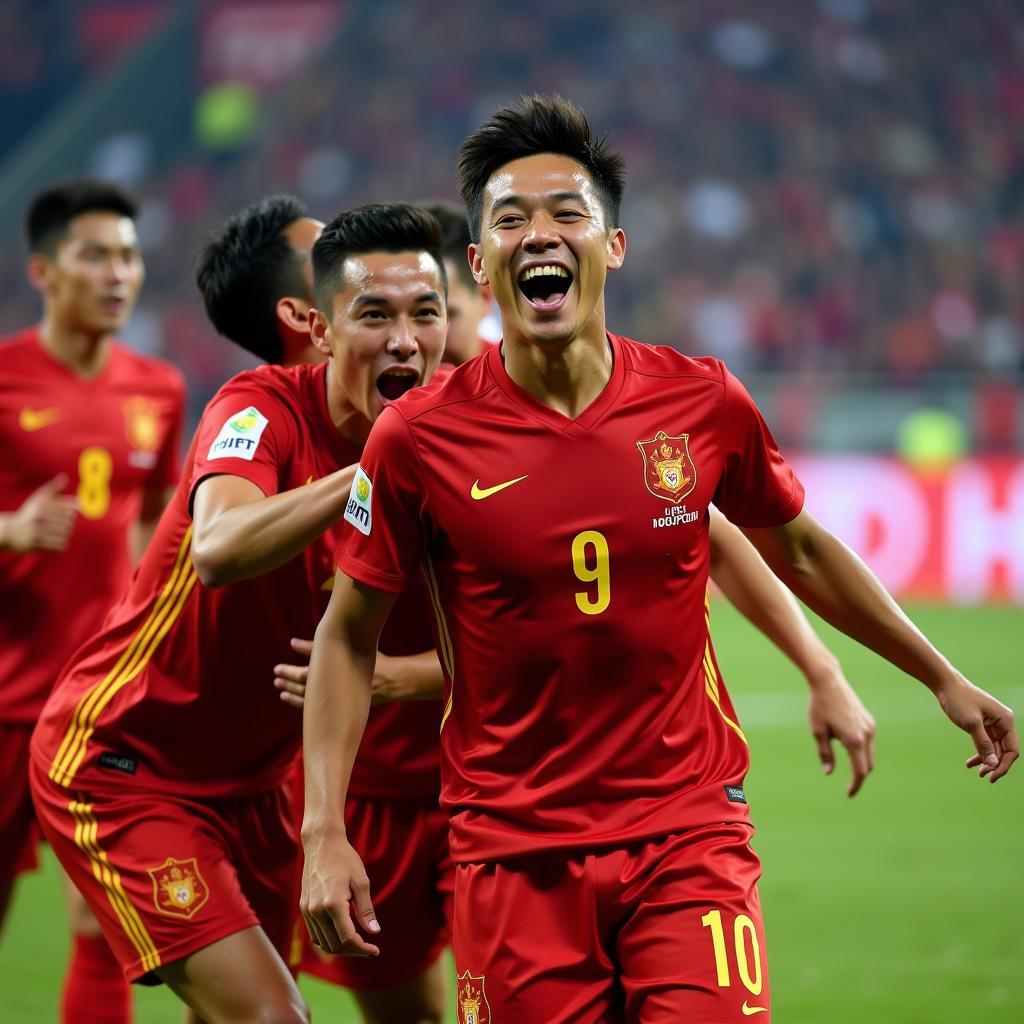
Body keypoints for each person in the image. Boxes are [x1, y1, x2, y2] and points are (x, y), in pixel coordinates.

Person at [299, 95, 1018, 1024]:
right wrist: (324, 831)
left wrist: (940, 677)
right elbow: (346, 638)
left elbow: (794, 545)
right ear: (481, 263)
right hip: (514, 852)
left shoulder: (699, 401)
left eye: (568, 214)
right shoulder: (419, 439)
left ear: (614, 247)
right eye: (510, 219)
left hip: (688, 833)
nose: (540, 234)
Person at [28, 200, 446, 1023]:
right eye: (374, 309)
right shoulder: (257, 409)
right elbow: (216, 549)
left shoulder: (445, 435)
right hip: (128, 762)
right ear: (317, 323)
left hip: (260, 788)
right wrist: (367, 473)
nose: (406, 336)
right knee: (270, 1018)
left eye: (424, 311)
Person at [0, 179, 185, 1024]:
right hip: (3, 696)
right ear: (43, 270)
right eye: (95, 255)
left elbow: (156, 518)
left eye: (129, 256)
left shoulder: (158, 388)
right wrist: (8, 531)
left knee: (100, 922)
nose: (118, 274)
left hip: (95, 701)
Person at [419, 200, 494, 366]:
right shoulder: (366, 386)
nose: (432, 340)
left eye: (447, 315)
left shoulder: (525, 382)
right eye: (418, 316)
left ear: (484, 298)